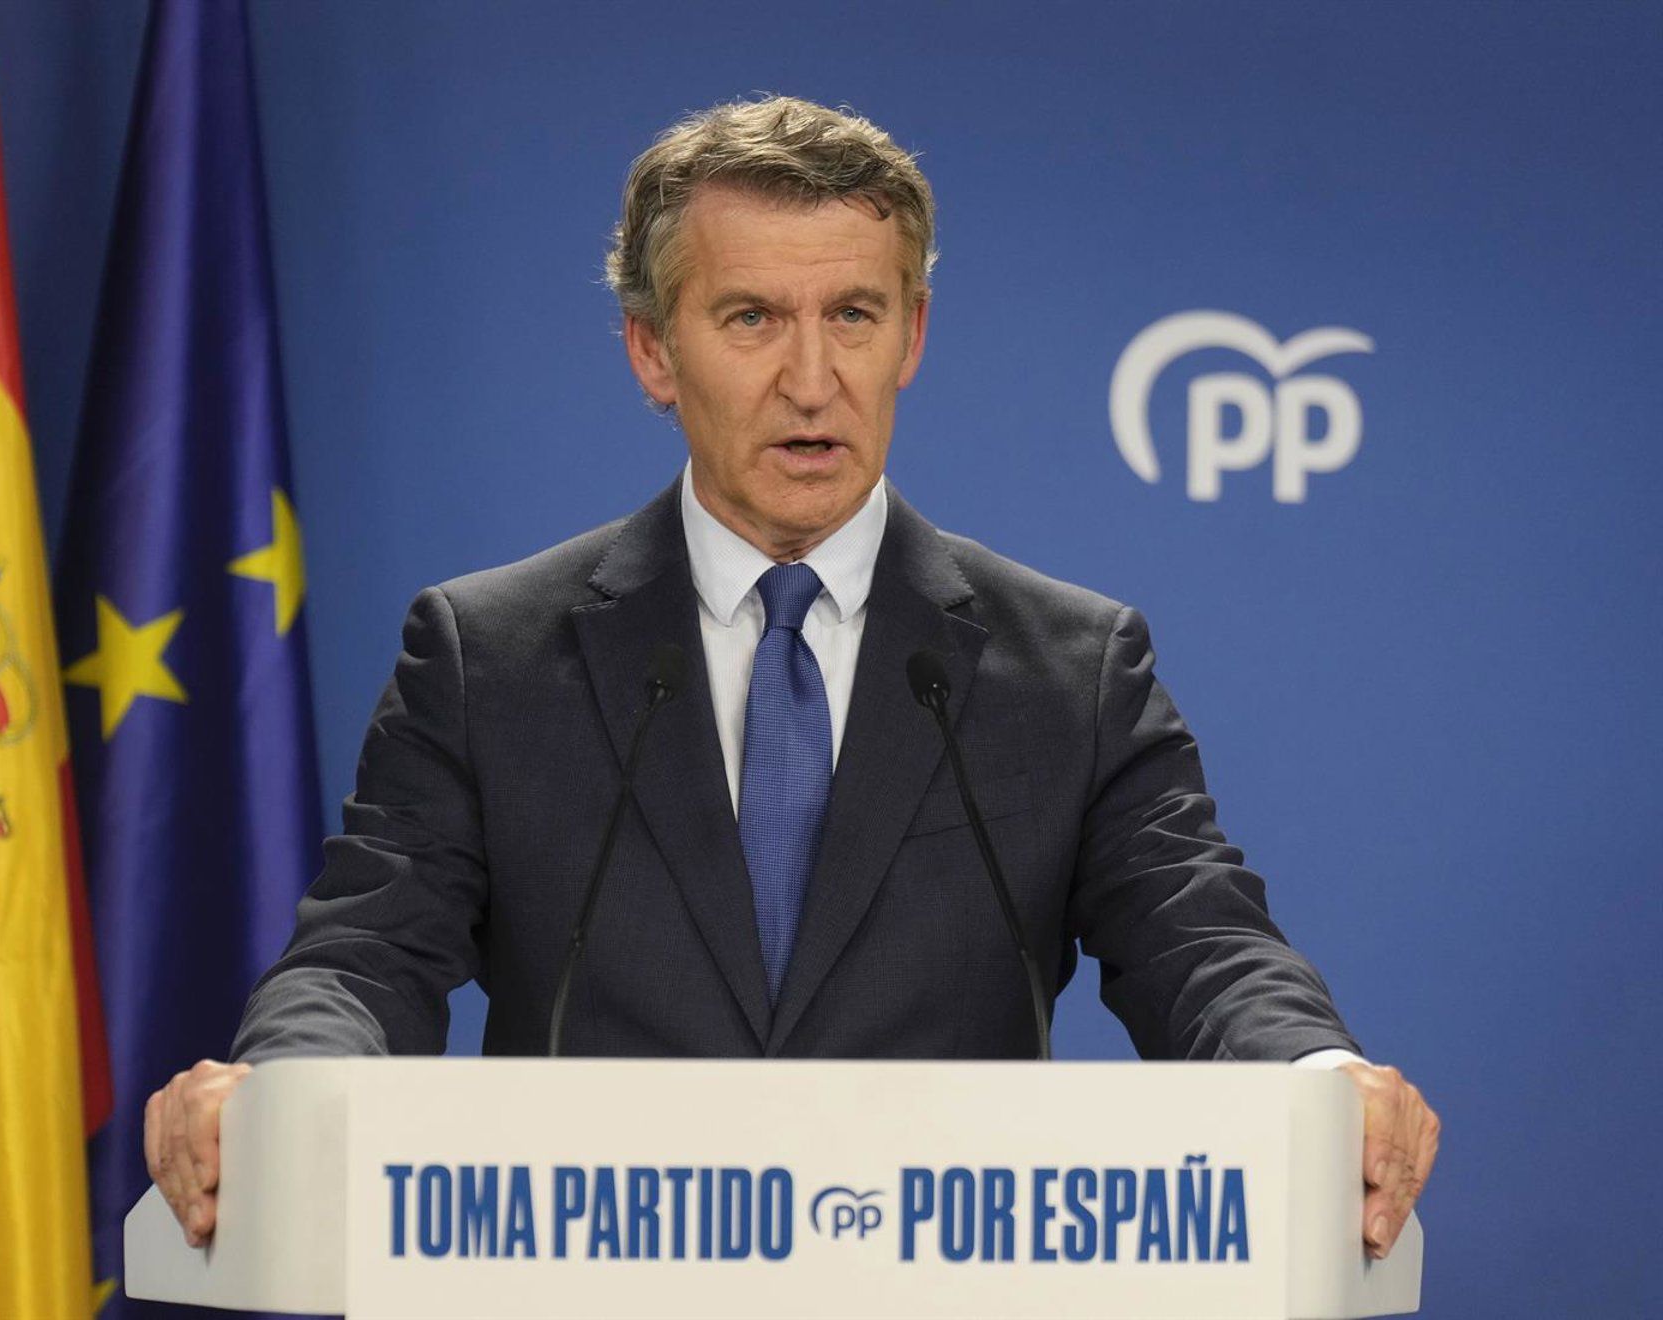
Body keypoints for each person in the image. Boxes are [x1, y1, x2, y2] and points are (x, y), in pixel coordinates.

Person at [143, 95, 1438, 1262]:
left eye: (853, 316)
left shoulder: (1070, 668)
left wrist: (1318, 1077)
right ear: (654, 351)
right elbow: (367, 954)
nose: (811, 381)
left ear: (911, 336)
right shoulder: (491, 656)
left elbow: (1202, 946)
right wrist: (283, 1087)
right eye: (752, 318)